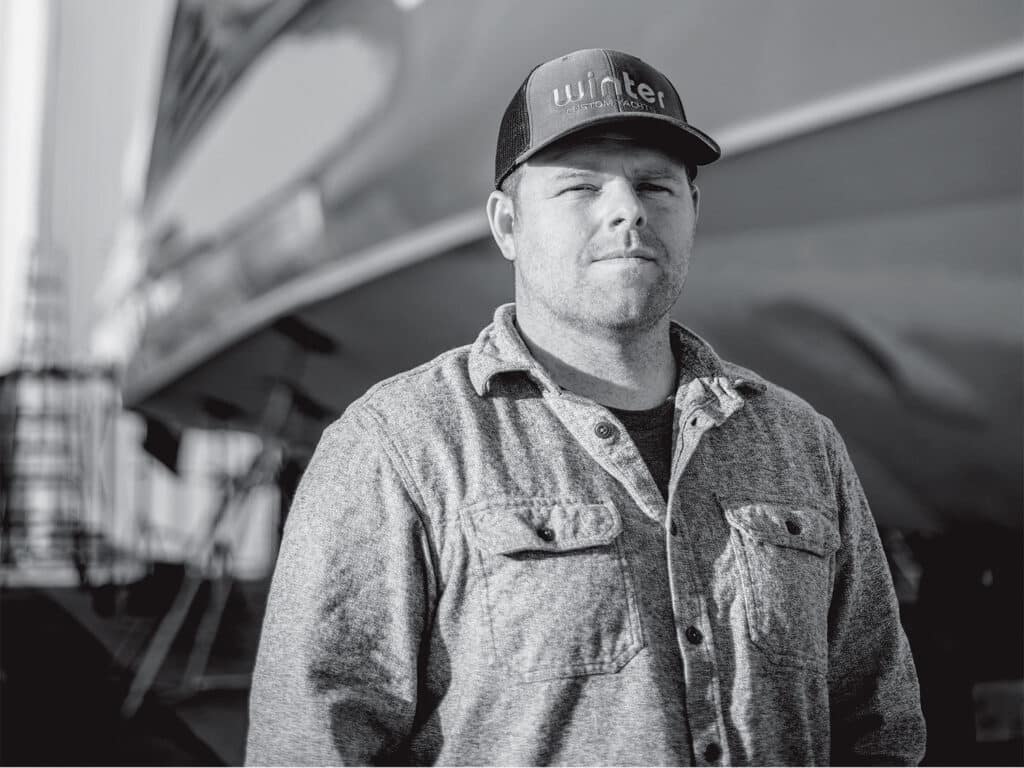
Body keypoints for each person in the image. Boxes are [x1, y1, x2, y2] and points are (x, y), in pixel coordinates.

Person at [246, 48, 926, 765]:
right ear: (507, 224)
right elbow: (311, 744)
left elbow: (879, 727)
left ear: (693, 210)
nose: (627, 211)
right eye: (579, 188)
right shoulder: (399, 448)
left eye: (655, 186)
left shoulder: (802, 442)